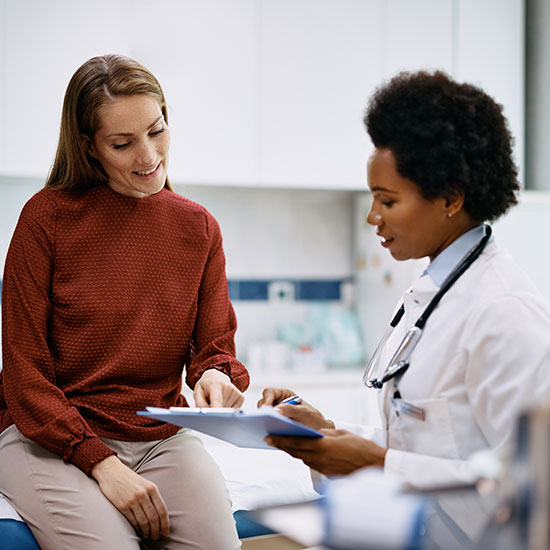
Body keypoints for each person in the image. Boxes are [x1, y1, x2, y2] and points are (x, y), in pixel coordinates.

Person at [0, 54, 249, 550]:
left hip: (159, 436)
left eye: (157, 131)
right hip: (46, 438)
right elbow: (24, 377)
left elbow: (214, 348)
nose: (148, 155)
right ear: (89, 147)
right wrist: (101, 464)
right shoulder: (45, 220)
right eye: (123, 143)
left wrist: (216, 376)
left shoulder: (198, 228)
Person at [259, 71, 550, 491]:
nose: (372, 216)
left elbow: (533, 485)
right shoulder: (434, 295)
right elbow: (429, 451)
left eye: (388, 200)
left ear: (450, 198)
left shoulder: (504, 313)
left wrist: (377, 465)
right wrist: (325, 434)